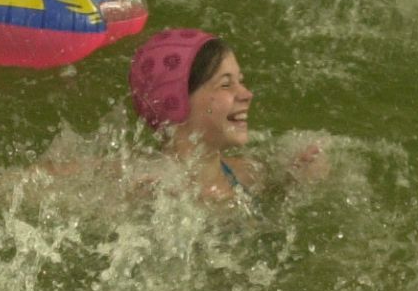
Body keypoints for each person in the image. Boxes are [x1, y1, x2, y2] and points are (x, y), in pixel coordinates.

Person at [126, 28, 326, 205]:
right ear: (178, 103)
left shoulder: (249, 175)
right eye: (225, 84)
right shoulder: (138, 189)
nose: (247, 94)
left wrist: (295, 182)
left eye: (240, 81)